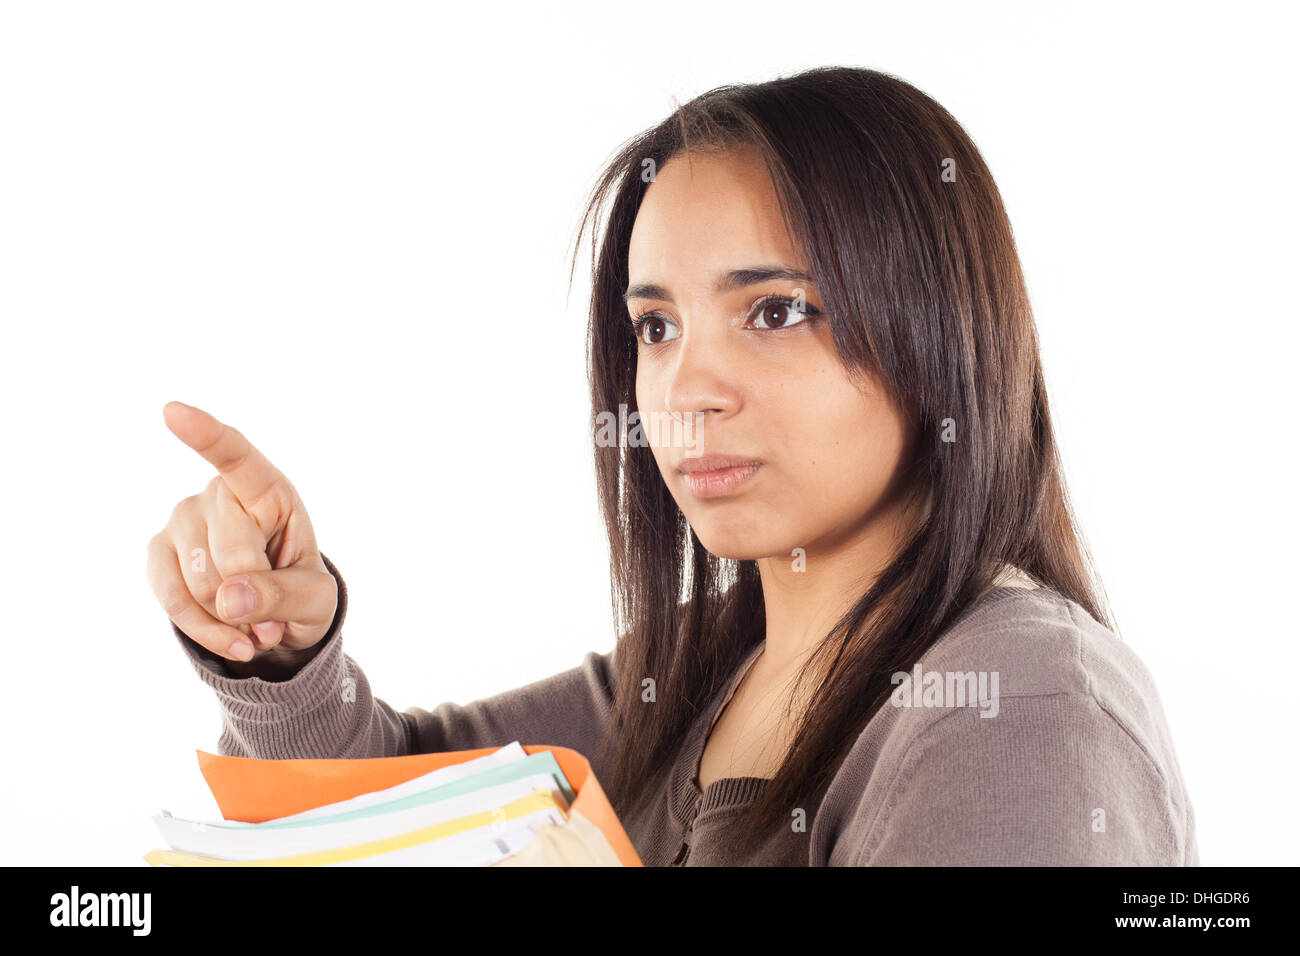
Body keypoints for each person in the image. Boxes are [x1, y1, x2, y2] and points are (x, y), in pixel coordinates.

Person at [147, 66, 1197, 866]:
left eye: (775, 310)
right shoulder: (703, 661)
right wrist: (280, 651)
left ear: (941, 336)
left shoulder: (1016, 702)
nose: (685, 390)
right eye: (655, 326)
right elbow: (391, 808)